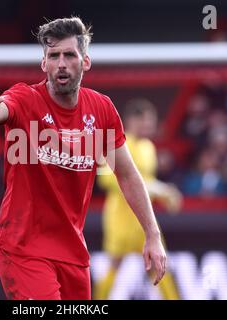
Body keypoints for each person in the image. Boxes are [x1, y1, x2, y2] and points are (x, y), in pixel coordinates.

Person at [0, 17, 167, 300]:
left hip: (73, 252)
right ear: (43, 64)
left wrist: (153, 234)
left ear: (85, 62)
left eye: (69, 55)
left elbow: (126, 174)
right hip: (23, 248)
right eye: (53, 56)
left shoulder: (101, 109)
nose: (61, 63)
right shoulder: (25, 99)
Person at [94, 99, 182, 300]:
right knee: (114, 266)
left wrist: (163, 192)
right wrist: (159, 190)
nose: (150, 127)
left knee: (159, 264)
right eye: (146, 122)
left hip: (143, 219)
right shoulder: (116, 144)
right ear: (132, 121)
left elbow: (147, 181)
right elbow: (107, 180)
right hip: (120, 220)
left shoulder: (148, 147)